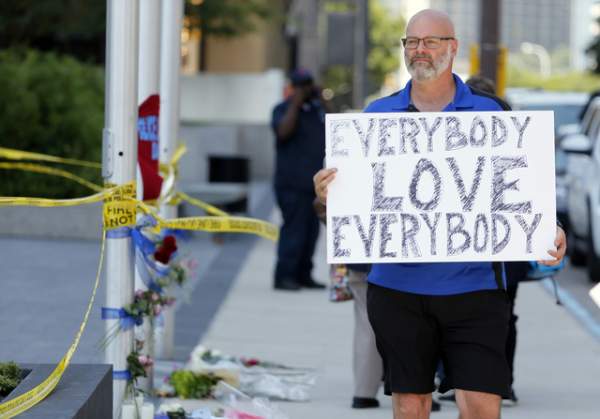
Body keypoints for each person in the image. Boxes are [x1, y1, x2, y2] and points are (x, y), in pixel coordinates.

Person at [313, 9, 567, 419]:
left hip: (475, 290)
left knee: (482, 406)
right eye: (412, 42)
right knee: (410, 405)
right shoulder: (376, 118)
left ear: (452, 48)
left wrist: (549, 229)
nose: (420, 50)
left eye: (430, 41)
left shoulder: (492, 116)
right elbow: (349, 207)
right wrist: (327, 195)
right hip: (397, 291)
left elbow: (523, 192)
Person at [313, 200, 384, 409]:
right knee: (415, 321)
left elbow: (326, 205)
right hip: (408, 253)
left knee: (366, 321)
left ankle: (364, 390)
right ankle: (418, 387)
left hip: (360, 245)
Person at [271, 69, 327, 291]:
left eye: (308, 85)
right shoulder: (282, 109)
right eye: (301, 86)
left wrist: (321, 99)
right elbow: (283, 132)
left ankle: (304, 274)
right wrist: (295, 103)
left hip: (312, 184)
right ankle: (284, 276)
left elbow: (333, 127)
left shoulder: (316, 110)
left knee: (311, 233)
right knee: (294, 232)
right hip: (290, 183)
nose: (305, 90)